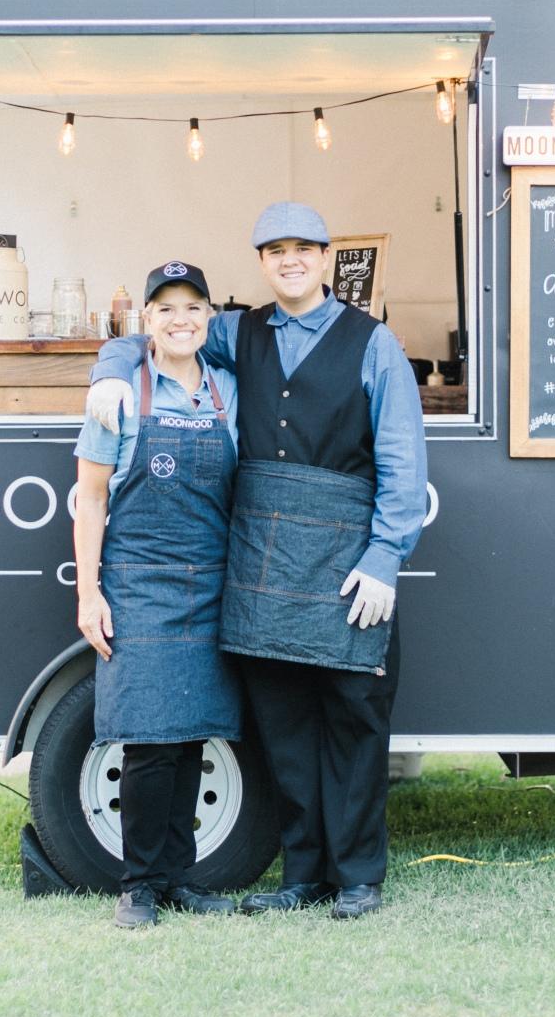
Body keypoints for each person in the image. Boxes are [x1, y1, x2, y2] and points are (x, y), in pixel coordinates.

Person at [86, 202, 428, 920]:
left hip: (346, 560)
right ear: (262, 263)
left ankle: (357, 877)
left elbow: (404, 460)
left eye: (303, 247)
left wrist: (384, 557)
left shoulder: (374, 344)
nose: (290, 260)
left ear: (326, 257)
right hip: (261, 566)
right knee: (286, 730)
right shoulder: (237, 331)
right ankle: (304, 876)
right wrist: (111, 369)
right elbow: (161, 334)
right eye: (275, 250)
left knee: (355, 721)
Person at [73, 260, 244, 930]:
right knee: (148, 738)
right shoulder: (118, 394)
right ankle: (139, 885)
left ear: (209, 317)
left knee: (192, 733)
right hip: (139, 583)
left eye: (192, 307)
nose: (180, 320)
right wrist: (89, 593)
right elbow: (91, 498)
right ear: (147, 318)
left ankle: (180, 879)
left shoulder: (229, 390)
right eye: (166, 308)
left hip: (210, 581)